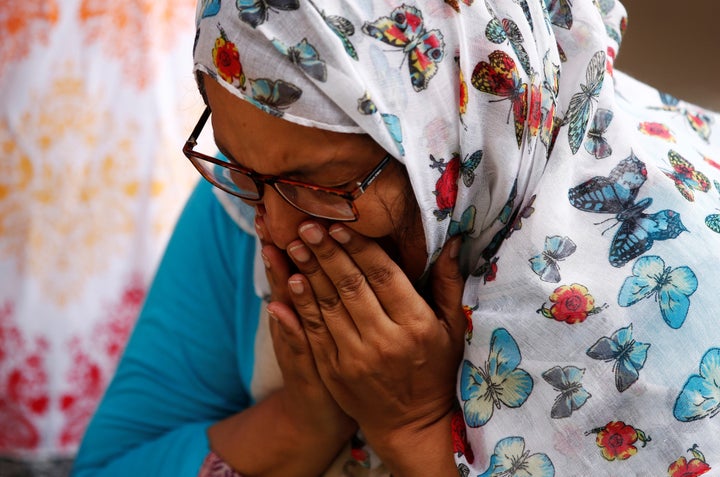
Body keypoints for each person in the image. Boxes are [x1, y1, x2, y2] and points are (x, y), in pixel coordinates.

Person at [73, 0, 720, 476]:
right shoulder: (251, 194)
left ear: (457, 137)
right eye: (237, 161)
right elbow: (113, 463)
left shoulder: (663, 301)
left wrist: (412, 433)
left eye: (320, 183)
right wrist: (305, 419)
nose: (272, 227)